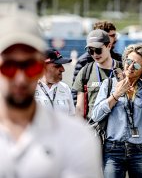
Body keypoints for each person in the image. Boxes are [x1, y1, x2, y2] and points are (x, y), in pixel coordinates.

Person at [0, 12, 102, 177]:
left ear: (41, 68)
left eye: (30, 66)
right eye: (9, 67)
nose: (20, 78)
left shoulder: (78, 138)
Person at [91, 44, 142, 178]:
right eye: (128, 62)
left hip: (139, 150)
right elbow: (96, 115)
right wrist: (116, 95)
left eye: (136, 65)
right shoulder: (109, 84)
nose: (130, 67)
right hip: (113, 149)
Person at [73, 29, 121, 120]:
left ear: (109, 46)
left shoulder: (122, 69)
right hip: (93, 129)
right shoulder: (85, 72)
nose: (95, 54)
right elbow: (79, 109)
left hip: (117, 130)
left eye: (98, 50)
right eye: (91, 51)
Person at [35, 48, 75, 116]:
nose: (63, 69)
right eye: (57, 66)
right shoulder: (30, 89)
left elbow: (72, 116)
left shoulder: (65, 88)